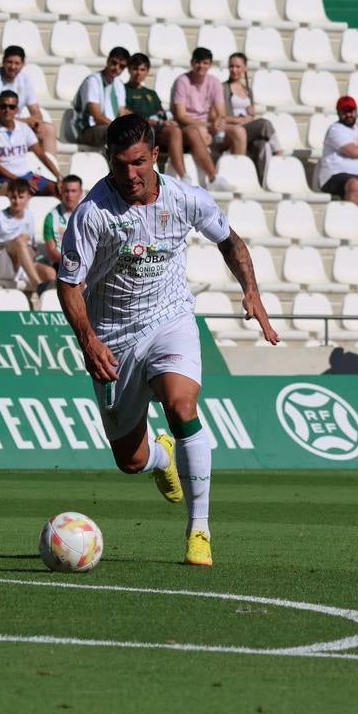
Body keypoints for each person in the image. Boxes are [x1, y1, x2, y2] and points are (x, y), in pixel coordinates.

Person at [57, 114, 279, 567]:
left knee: (182, 405)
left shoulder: (185, 198)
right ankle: (163, 457)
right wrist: (89, 341)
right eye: (120, 165)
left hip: (169, 319)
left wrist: (251, 291)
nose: (130, 174)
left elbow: (230, 241)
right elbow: (68, 284)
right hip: (113, 337)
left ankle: (199, 530)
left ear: (156, 155)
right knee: (131, 461)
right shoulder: (93, 213)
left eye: (139, 162)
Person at [0, 46, 56, 156]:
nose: (13, 67)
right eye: (9, 62)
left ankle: (47, 170)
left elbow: (35, 110)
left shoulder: (25, 79)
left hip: (12, 125)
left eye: (17, 63)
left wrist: (38, 123)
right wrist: (24, 122)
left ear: (23, 64)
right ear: (3, 62)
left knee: (48, 130)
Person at [170, 47, 236, 191]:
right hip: (184, 127)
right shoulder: (182, 81)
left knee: (238, 133)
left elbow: (221, 112)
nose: (201, 66)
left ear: (210, 64)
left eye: (205, 63)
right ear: (192, 63)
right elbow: (180, 116)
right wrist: (207, 125)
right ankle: (213, 177)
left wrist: (217, 123)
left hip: (206, 127)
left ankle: (239, 174)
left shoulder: (214, 82)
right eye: (198, 62)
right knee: (196, 131)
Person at [0, 90, 59, 194]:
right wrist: (21, 181)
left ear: (17, 110)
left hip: (29, 176)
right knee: (22, 192)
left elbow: (41, 155)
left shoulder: (24, 128)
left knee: (57, 190)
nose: (7, 110)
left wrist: (59, 177)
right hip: (8, 179)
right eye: (3, 106)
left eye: (11, 107)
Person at [123, 53, 190, 184]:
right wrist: (148, 120)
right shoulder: (123, 90)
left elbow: (161, 113)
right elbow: (125, 113)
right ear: (129, 69)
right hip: (138, 131)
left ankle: (183, 176)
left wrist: (166, 120)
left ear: (147, 72)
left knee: (175, 129)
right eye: (135, 69)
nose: (138, 73)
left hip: (157, 130)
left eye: (142, 69)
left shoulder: (151, 93)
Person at [0, 178, 55, 294]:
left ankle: (47, 306)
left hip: (22, 264)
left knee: (50, 273)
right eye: (13, 197)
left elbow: (32, 246)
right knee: (20, 242)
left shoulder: (29, 216)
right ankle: (38, 286)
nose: (16, 201)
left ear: (28, 197)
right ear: (8, 196)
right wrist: (12, 243)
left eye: (21, 197)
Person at [222, 52, 282, 174]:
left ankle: (264, 181)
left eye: (238, 67)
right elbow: (220, 116)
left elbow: (251, 116)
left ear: (245, 68)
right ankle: (279, 153)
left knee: (262, 145)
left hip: (247, 129)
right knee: (265, 123)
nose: (234, 70)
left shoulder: (248, 90)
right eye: (231, 66)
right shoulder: (222, 88)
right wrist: (238, 120)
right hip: (233, 129)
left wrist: (251, 115)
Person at [71, 47, 130, 149]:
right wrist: (121, 128)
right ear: (107, 61)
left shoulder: (119, 84)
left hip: (109, 127)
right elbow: (97, 117)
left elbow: (121, 113)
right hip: (87, 130)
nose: (117, 68)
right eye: (114, 63)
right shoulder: (92, 81)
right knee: (116, 133)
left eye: (121, 66)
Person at [41, 174, 82, 271]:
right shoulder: (51, 217)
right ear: (61, 191)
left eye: (73, 191)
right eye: (66, 191)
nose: (69, 195)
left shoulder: (89, 215)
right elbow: (51, 252)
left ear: (80, 193)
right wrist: (74, 265)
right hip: (61, 264)